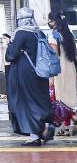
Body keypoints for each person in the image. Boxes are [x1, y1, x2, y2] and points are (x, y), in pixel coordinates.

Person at [3, 8, 55, 147]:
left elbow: (11, 55)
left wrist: (10, 45)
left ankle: (34, 136)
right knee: (40, 99)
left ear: (20, 20)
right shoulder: (39, 32)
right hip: (40, 72)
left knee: (28, 103)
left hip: (25, 74)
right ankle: (46, 125)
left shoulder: (21, 33)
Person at [46, 11, 77, 136]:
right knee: (66, 100)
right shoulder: (69, 35)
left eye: (50, 20)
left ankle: (76, 120)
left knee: (59, 100)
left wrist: (51, 75)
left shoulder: (54, 35)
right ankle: (66, 128)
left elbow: (54, 56)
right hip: (70, 69)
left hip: (60, 70)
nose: (49, 23)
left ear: (55, 21)